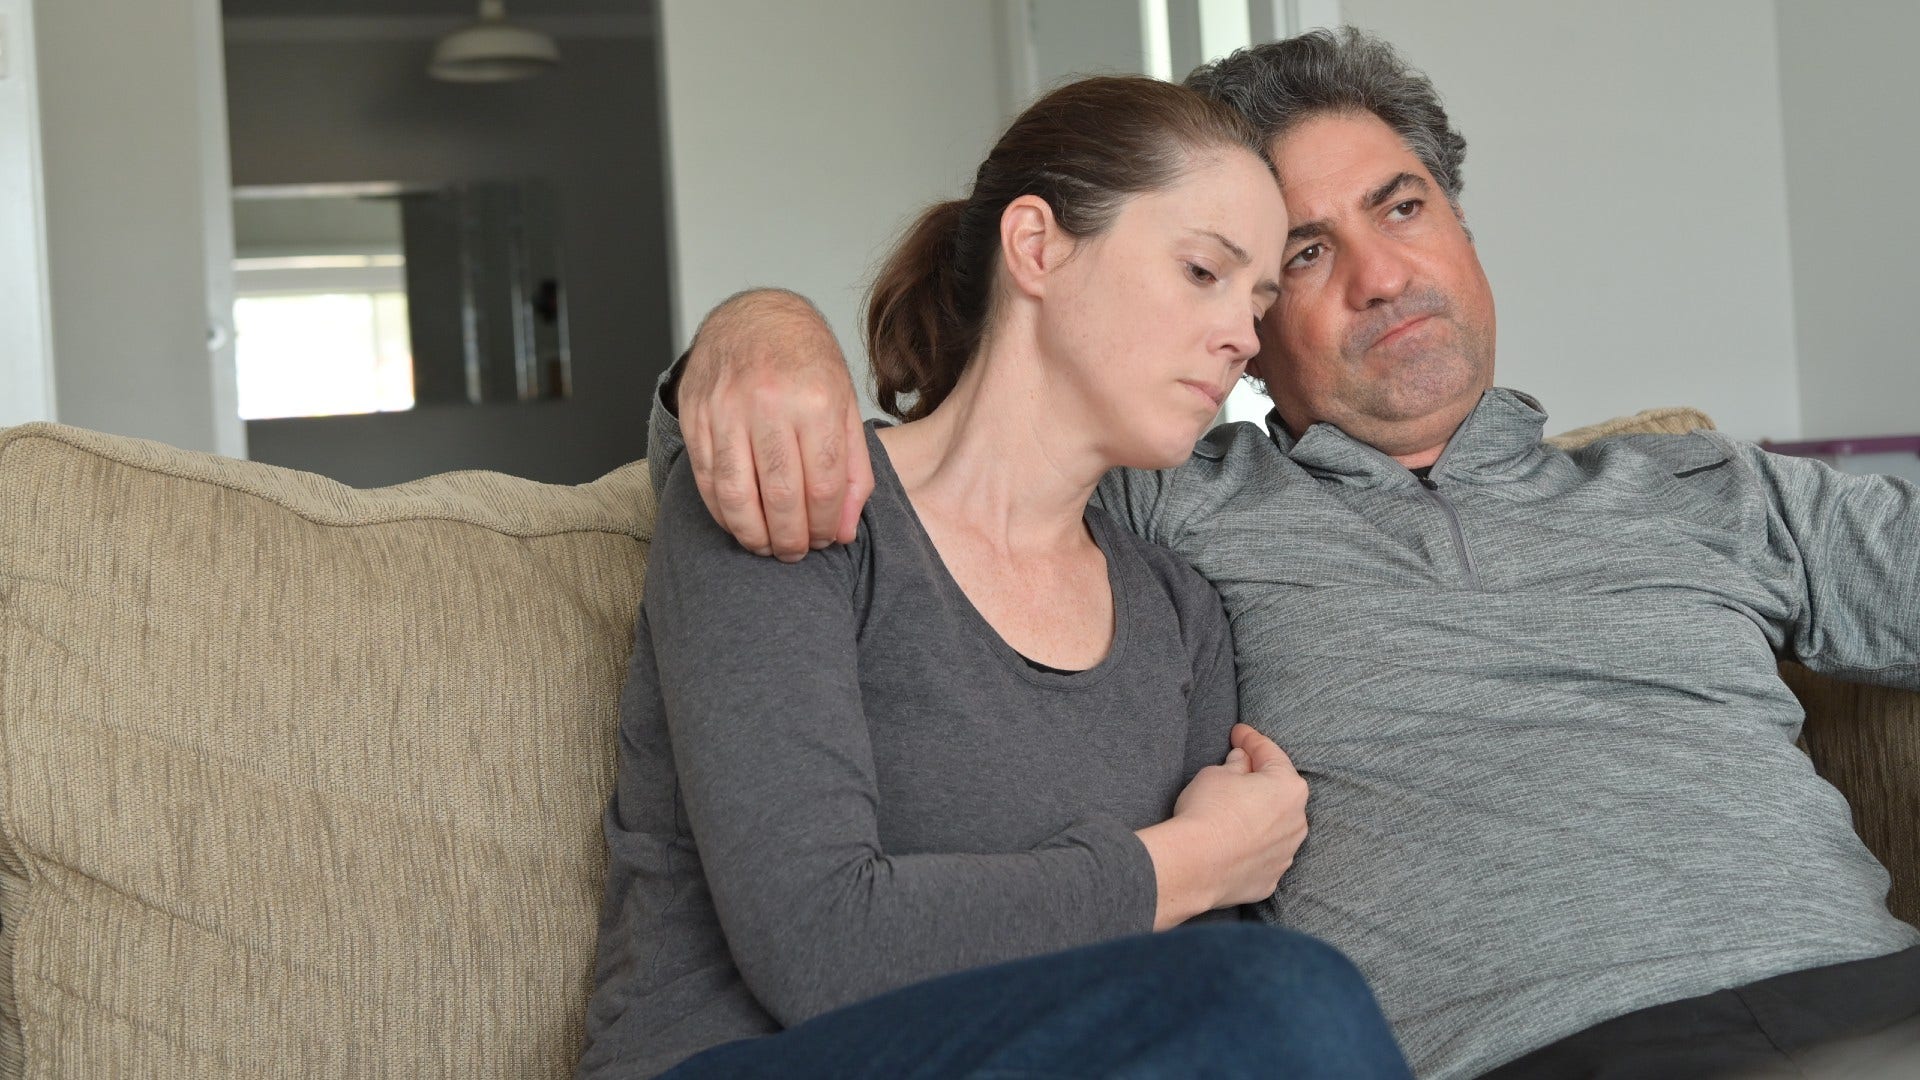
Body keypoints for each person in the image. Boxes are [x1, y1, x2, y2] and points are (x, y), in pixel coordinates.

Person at [645, 27, 1920, 1080]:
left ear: (1464, 228)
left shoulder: (1707, 487)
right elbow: (911, 473)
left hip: (1866, 997)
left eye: (1403, 206)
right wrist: (758, 330)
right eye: (1297, 257)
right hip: (1533, 1054)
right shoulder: (1178, 511)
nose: (1380, 276)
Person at [578, 75, 1411, 1080]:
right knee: (1290, 994)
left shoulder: (1177, 611)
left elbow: (1179, 1001)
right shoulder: (804, 498)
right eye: (1204, 272)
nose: (1242, 335)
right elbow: (821, 943)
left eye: (1260, 298)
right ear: (1037, 247)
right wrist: (1183, 862)